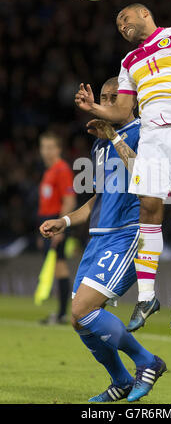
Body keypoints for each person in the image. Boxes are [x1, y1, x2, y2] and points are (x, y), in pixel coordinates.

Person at [74, 3, 171, 334]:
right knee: (149, 210)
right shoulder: (129, 62)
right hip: (152, 139)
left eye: (125, 18)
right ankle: (147, 297)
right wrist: (93, 107)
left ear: (144, 14)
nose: (121, 25)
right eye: (117, 24)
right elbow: (123, 108)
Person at [39, 77, 166, 403]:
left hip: (128, 235)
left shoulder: (145, 134)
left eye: (115, 99)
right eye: (104, 99)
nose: (108, 104)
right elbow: (98, 198)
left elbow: (148, 180)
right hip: (98, 238)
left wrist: (115, 138)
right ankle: (120, 380)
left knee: (84, 308)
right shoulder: (99, 145)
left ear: (131, 102)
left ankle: (146, 361)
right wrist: (65, 221)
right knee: (78, 320)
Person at [38, 131, 76, 324]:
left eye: (50, 147)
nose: (46, 151)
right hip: (48, 222)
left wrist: (59, 227)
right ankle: (60, 312)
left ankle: (62, 314)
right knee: (57, 267)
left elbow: (69, 199)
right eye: (44, 147)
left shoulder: (61, 170)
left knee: (60, 266)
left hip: (56, 223)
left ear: (59, 149)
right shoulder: (50, 171)